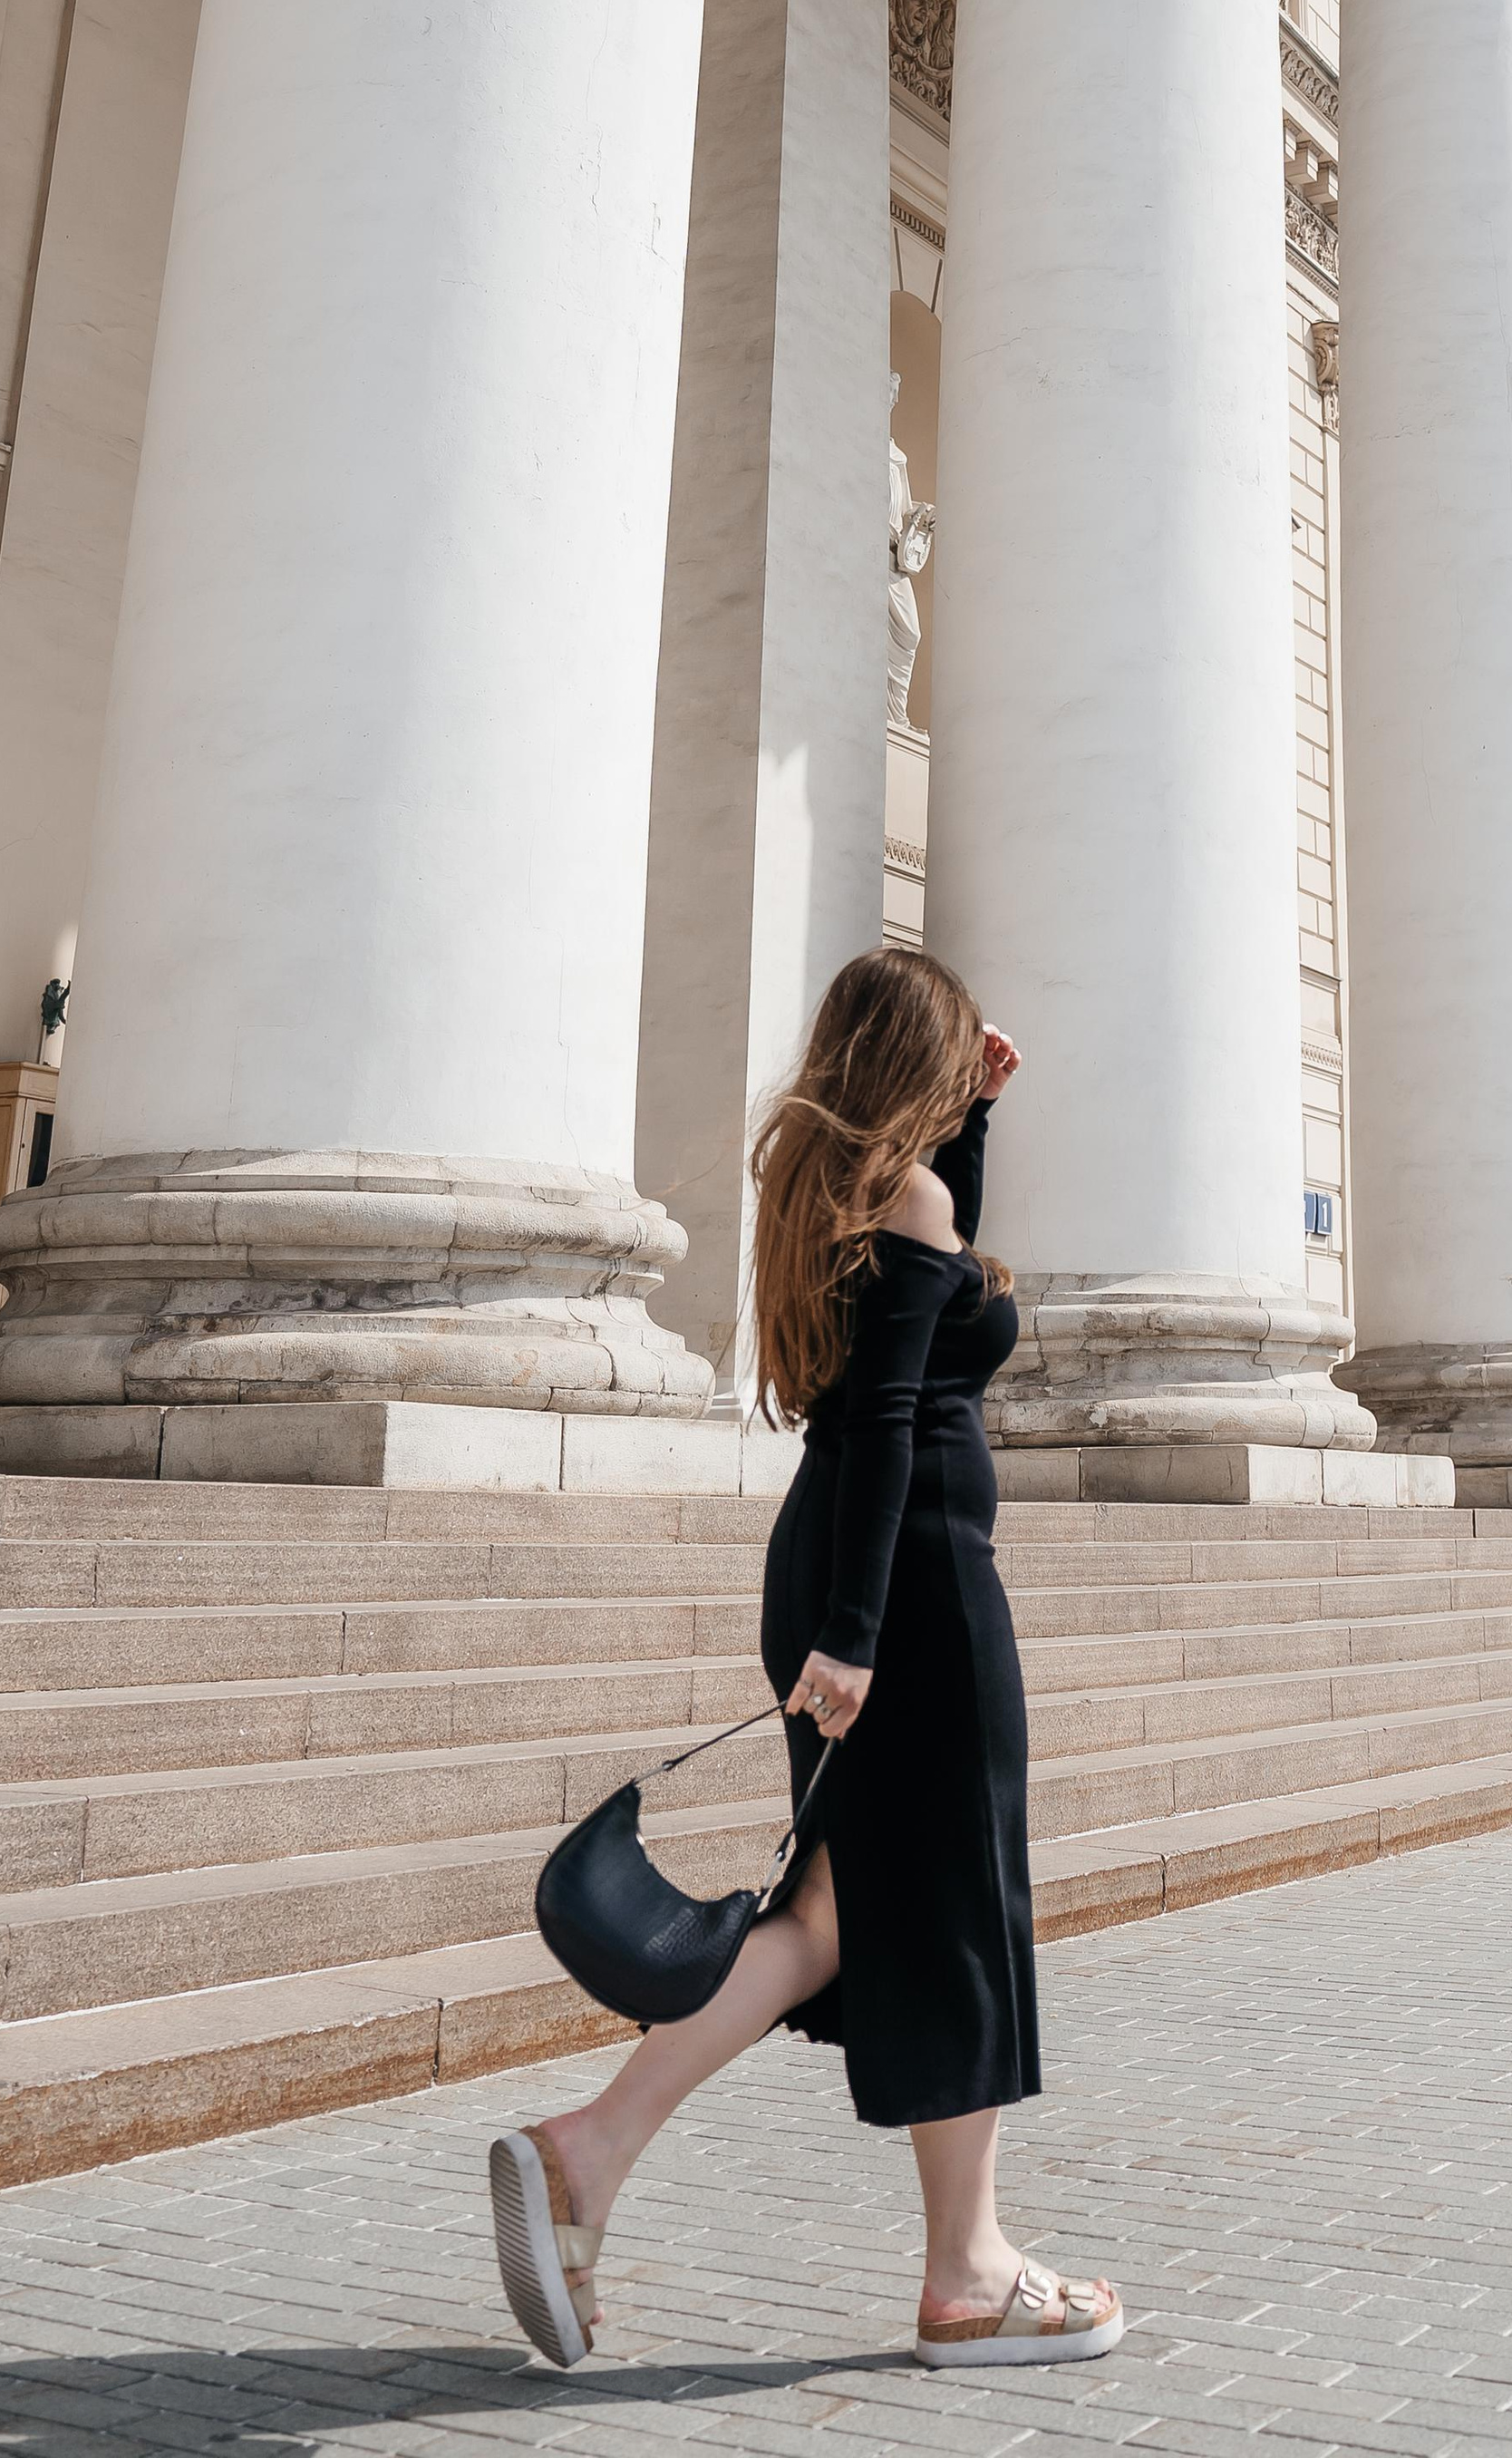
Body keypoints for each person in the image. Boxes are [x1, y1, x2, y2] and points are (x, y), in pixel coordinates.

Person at [489, 947, 1122, 2374]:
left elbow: (925, 1336)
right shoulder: (909, 1201)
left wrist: (973, 1128)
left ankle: (591, 2151)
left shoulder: (849, 1187)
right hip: (912, 1595)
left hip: (850, 1569)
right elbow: (898, 1413)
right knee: (954, 1905)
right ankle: (968, 2274)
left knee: (838, 1916)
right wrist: (857, 1638)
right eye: (954, 1058)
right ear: (919, 1060)